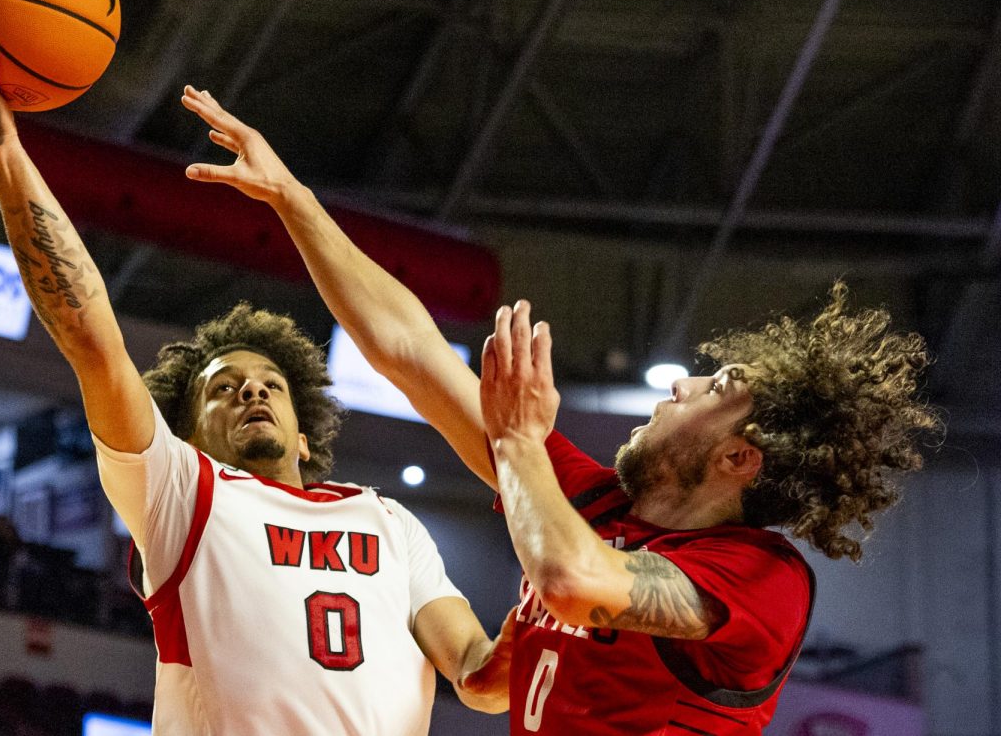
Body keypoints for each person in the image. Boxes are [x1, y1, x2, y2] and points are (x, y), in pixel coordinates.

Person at [180, 89, 941, 734]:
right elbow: (409, 349)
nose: (679, 388)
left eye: (712, 389)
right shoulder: (593, 499)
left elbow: (574, 578)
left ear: (740, 457)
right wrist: (293, 199)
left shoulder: (759, 578)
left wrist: (518, 441)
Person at [0, 3, 509, 735]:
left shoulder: (389, 521)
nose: (253, 390)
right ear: (189, 434)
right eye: (224, 389)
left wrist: (561, 599)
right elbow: (92, 336)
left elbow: (483, 678)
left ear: (305, 435)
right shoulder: (181, 492)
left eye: (270, 384)